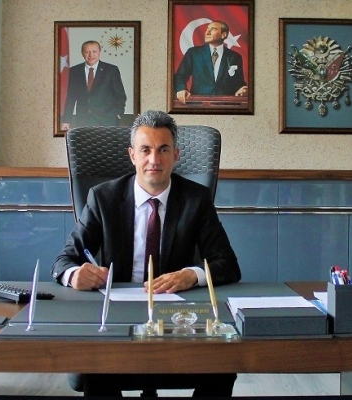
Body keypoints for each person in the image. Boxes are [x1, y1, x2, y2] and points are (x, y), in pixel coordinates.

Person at [52, 110, 241, 396]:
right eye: (145, 150)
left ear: (176, 155)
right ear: (132, 155)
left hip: (177, 319)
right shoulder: (103, 198)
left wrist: (192, 275)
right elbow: (63, 261)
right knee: (98, 367)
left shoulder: (196, 199)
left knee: (223, 363)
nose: (154, 160)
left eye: (163, 150)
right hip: (117, 316)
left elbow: (228, 264)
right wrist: (74, 274)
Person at [174, 21, 248, 104]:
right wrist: (181, 89)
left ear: (223, 35)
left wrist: (243, 88)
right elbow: (180, 76)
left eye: (213, 29)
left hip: (226, 106)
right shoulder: (193, 53)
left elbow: (239, 82)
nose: (207, 32)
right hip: (198, 105)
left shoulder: (235, 57)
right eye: (207, 29)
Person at [60, 40, 126, 130]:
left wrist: (118, 114)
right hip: (83, 121)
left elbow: (120, 95)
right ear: (82, 54)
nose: (91, 55)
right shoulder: (74, 71)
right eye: (87, 52)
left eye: (94, 51)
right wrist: (66, 120)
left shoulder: (111, 70)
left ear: (99, 52)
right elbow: (71, 97)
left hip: (107, 121)